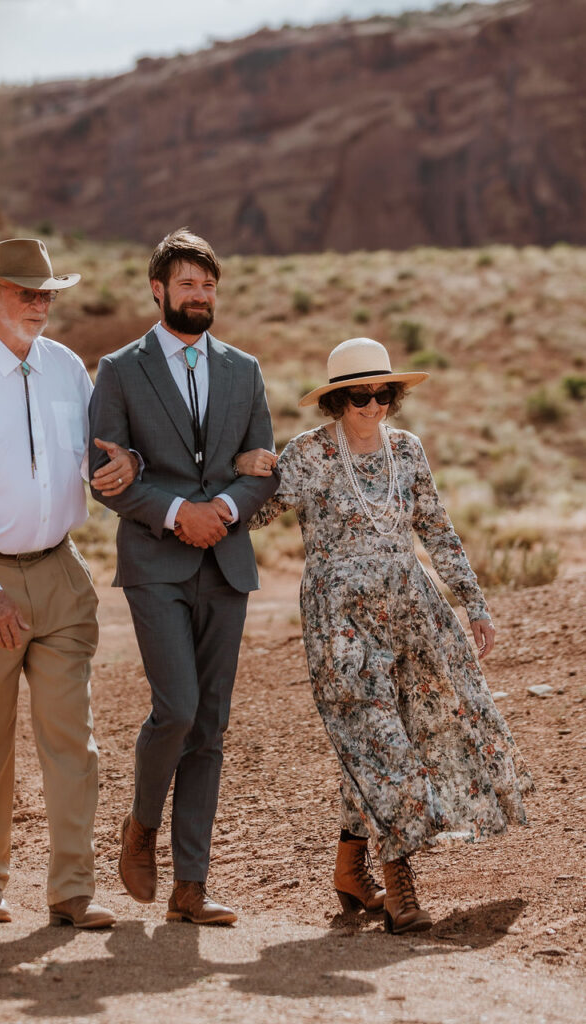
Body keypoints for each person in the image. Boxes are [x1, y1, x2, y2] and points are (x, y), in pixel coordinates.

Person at [240, 336, 532, 934]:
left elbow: (438, 529)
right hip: (342, 623)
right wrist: (244, 469)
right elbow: (254, 513)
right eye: (358, 397)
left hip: (414, 613)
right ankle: (398, 880)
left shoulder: (408, 450)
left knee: (427, 728)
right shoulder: (310, 454)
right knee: (378, 742)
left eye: (383, 395)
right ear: (336, 401)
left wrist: (474, 604)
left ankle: (351, 869)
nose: (373, 407)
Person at [0, 237, 138, 928]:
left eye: (46, 293)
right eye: (24, 292)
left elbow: (89, 455)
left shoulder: (67, 368)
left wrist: (119, 467)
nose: (38, 304)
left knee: (72, 738)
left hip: (58, 573)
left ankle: (72, 890)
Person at [88, 228, 280, 925]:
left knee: (212, 726)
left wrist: (224, 507)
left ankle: (189, 887)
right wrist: (176, 513)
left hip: (224, 561)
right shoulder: (118, 370)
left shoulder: (243, 370)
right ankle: (140, 828)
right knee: (177, 707)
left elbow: (262, 464)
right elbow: (103, 478)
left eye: (208, 285)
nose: (199, 295)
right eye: (187, 284)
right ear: (157, 289)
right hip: (155, 564)